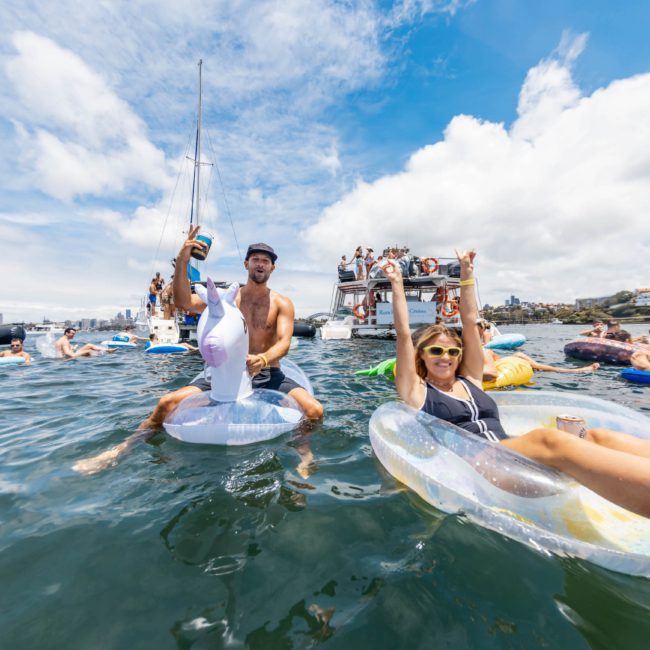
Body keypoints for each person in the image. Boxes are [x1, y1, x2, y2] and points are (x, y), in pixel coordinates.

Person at [384, 250, 650, 517]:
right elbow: (404, 334)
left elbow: (469, 320)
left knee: (594, 436)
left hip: (510, 454)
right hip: (481, 465)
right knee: (548, 438)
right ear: (422, 355)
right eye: (436, 352)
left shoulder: (470, 379)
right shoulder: (418, 392)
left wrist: (467, 272)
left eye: (453, 352)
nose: (446, 358)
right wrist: (397, 284)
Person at [74, 226, 323, 474]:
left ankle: (304, 454)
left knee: (315, 411)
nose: (260, 264)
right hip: (223, 374)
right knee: (166, 403)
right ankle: (122, 449)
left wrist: (263, 358)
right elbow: (182, 301)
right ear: (246, 264)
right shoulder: (227, 299)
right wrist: (183, 259)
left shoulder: (282, 303)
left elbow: (284, 343)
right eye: (256, 259)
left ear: (272, 268)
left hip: (268, 373)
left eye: (266, 261)